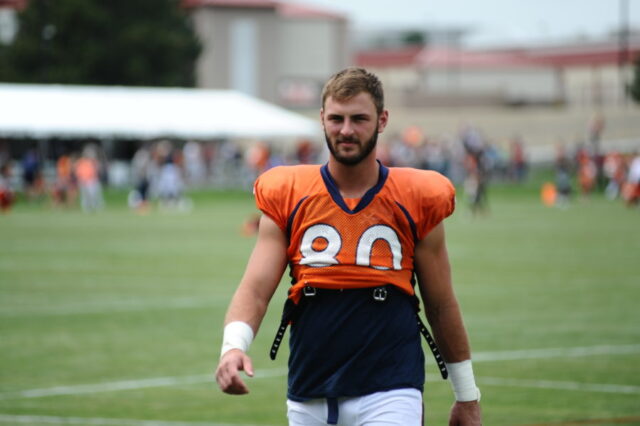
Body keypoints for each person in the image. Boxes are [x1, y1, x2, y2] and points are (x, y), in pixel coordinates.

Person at [215, 67, 481, 426]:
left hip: (392, 389)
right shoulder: (289, 193)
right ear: (322, 119)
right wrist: (233, 347)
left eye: (359, 119)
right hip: (309, 389)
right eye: (337, 119)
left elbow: (440, 303)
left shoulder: (416, 196)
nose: (346, 130)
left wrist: (467, 396)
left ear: (382, 120)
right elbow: (256, 288)